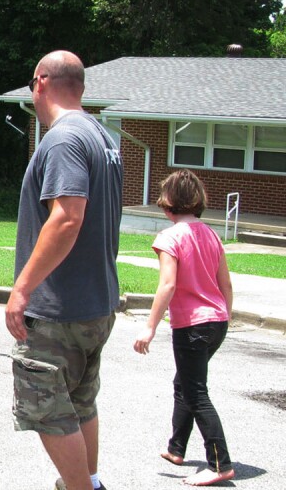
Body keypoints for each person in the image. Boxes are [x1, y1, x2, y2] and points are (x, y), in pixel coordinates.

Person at [5, 50, 123, 490]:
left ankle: (83, 488)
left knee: (46, 408)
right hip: (96, 304)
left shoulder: (62, 139)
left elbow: (67, 217)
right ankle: (88, 480)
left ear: (40, 82)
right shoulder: (101, 138)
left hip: (60, 308)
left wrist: (22, 289)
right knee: (79, 403)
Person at [134, 169, 234, 487]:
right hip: (217, 321)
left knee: (195, 392)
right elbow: (226, 283)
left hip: (192, 325)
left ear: (167, 204)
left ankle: (220, 463)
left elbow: (167, 285)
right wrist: (224, 316)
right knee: (186, 383)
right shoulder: (212, 234)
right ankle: (177, 448)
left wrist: (148, 327)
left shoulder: (169, 237)